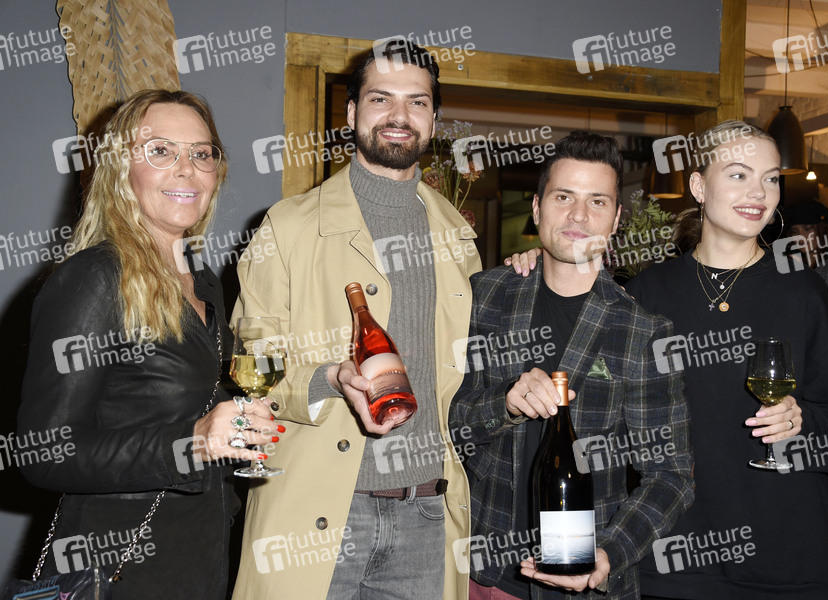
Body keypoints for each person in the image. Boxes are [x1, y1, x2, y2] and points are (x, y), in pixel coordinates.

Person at [510, 121, 828, 599]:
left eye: (770, 179)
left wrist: (803, 424)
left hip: (792, 566)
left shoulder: (803, 291)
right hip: (672, 566)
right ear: (699, 186)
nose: (758, 193)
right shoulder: (645, 294)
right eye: (739, 175)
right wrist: (536, 265)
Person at [230, 41, 481, 600]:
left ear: (433, 119)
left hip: (426, 516)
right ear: (351, 113)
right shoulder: (286, 228)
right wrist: (328, 379)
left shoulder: (458, 236)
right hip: (315, 513)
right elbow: (251, 367)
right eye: (380, 98)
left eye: (417, 102)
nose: (399, 115)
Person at [17, 89, 278, 599]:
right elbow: (43, 453)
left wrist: (239, 426)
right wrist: (193, 441)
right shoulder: (94, 279)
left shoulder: (202, 280)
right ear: (121, 169)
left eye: (201, 153)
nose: (186, 169)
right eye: (160, 151)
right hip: (113, 570)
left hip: (200, 560)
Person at [450, 131, 694, 600]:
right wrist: (504, 405)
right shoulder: (484, 297)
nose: (579, 215)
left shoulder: (644, 333)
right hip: (481, 573)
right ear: (537, 208)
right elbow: (445, 424)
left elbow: (671, 476)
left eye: (597, 201)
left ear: (616, 218)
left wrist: (609, 553)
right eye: (563, 197)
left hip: (584, 580)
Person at [781, 200, 828, 329]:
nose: (801, 236)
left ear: (821, 230)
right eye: (795, 231)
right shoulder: (790, 265)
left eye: (807, 229)